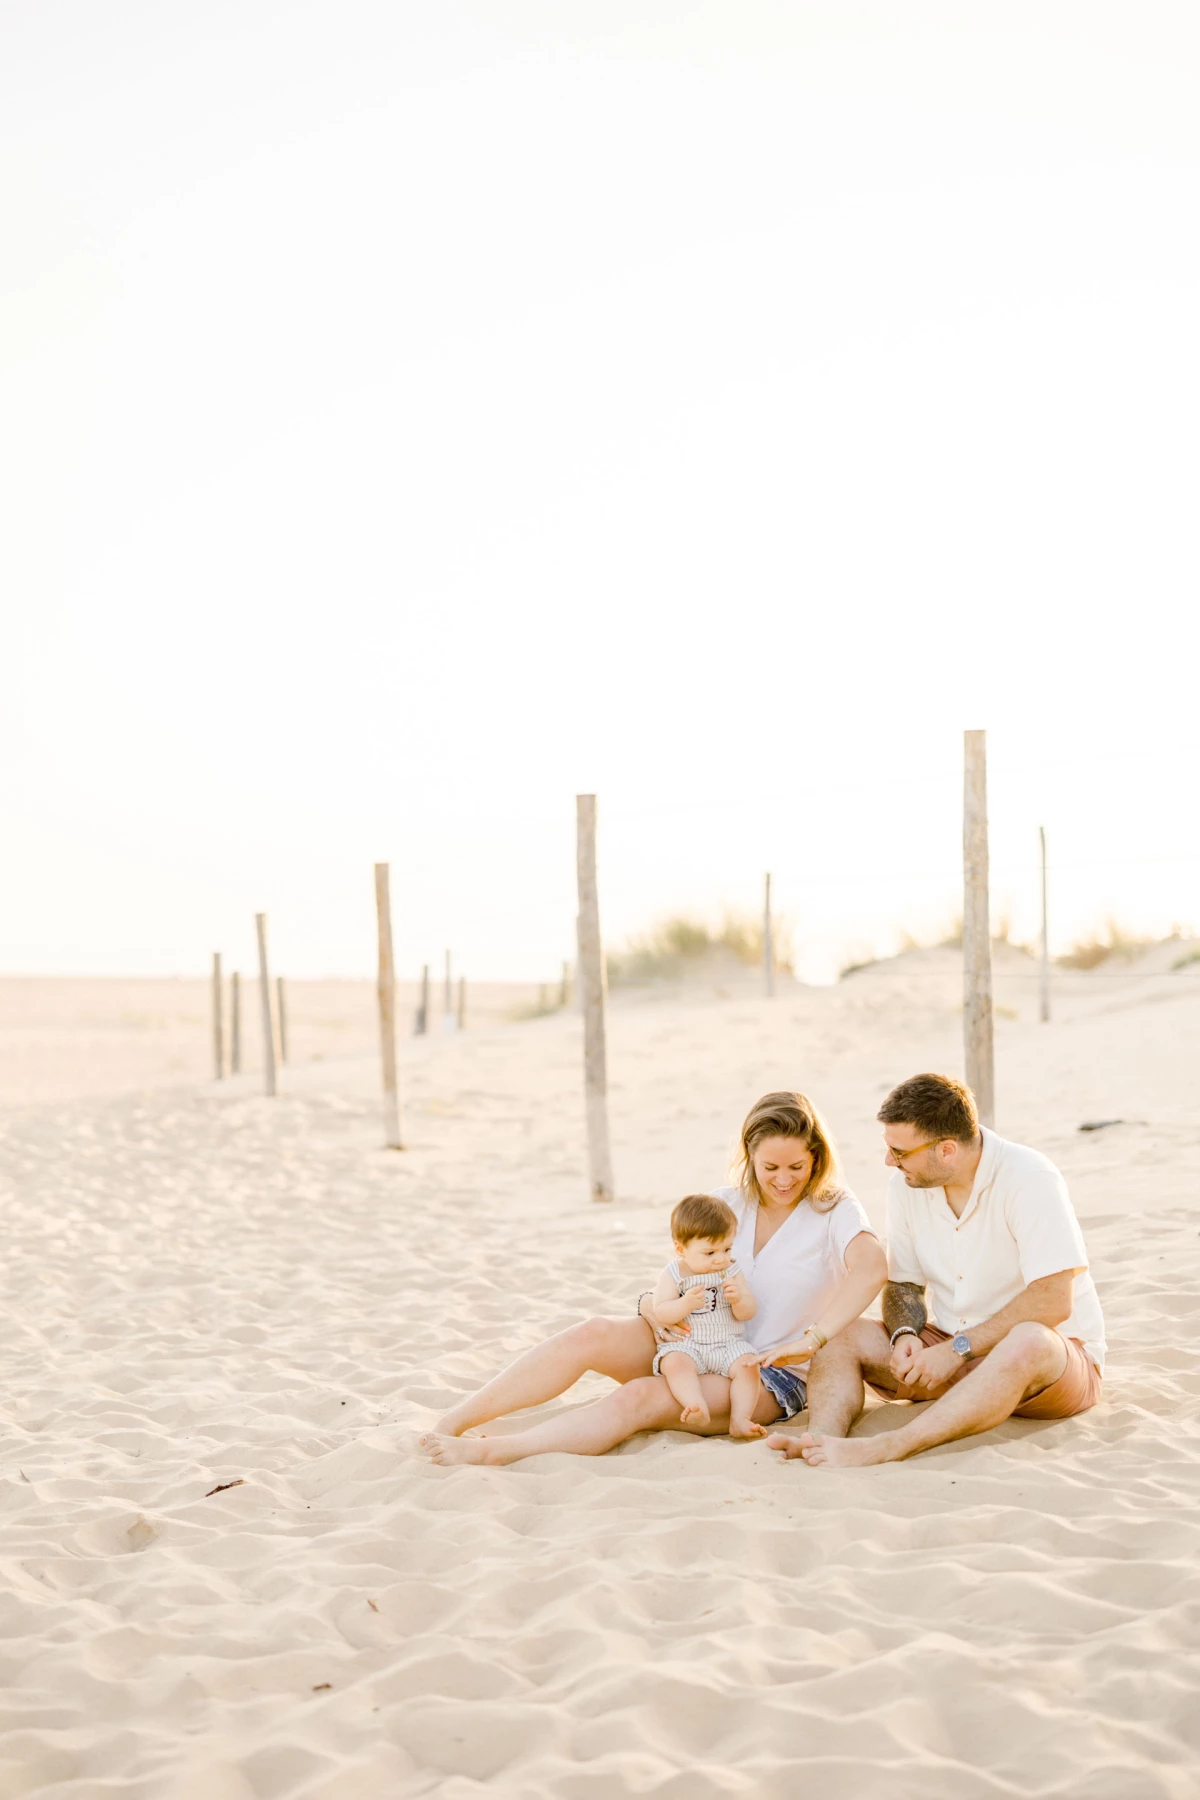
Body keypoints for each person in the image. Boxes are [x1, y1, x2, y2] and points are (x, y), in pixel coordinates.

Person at [419, 1091, 886, 1465]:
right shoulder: (727, 1203)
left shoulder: (833, 1209)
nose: (784, 1180)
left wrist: (815, 1338)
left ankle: (495, 1451)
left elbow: (872, 1268)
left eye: (796, 1167)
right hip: (695, 1342)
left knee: (641, 1395)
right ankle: (454, 1421)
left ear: (817, 1158)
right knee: (592, 1333)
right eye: (770, 1168)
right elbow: (678, 1273)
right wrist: (650, 1307)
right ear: (749, 1156)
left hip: (766, 1376)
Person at [767, 1072, 1105, 1469]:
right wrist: (904, 1333)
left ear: (946, 1150)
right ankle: (821, 1438)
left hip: (1051, 1363)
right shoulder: (907, 1186)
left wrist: (958, 1350)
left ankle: (893, 1445)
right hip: (949, 1347)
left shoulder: (1029, 1177)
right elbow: (903, 1284)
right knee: (843, 1333)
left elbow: (1053, 1300)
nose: (889, 1161)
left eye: (900, 1151)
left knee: (1029, 1339)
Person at [648, 1193, 760, 1434]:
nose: (720, 1259)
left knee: (749, 1366)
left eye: (727, 1248)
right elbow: (662, 1312)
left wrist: (739, 1299)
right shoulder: (674, 1273)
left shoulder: (732, 1268)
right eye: (710, 1253)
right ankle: (695, 1404)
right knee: (675, 1363)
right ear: (681, 1249)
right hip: (689, 1344)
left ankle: (740, 1419)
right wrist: (685, 1304)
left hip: (728, 1344)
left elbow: (748, 1312)